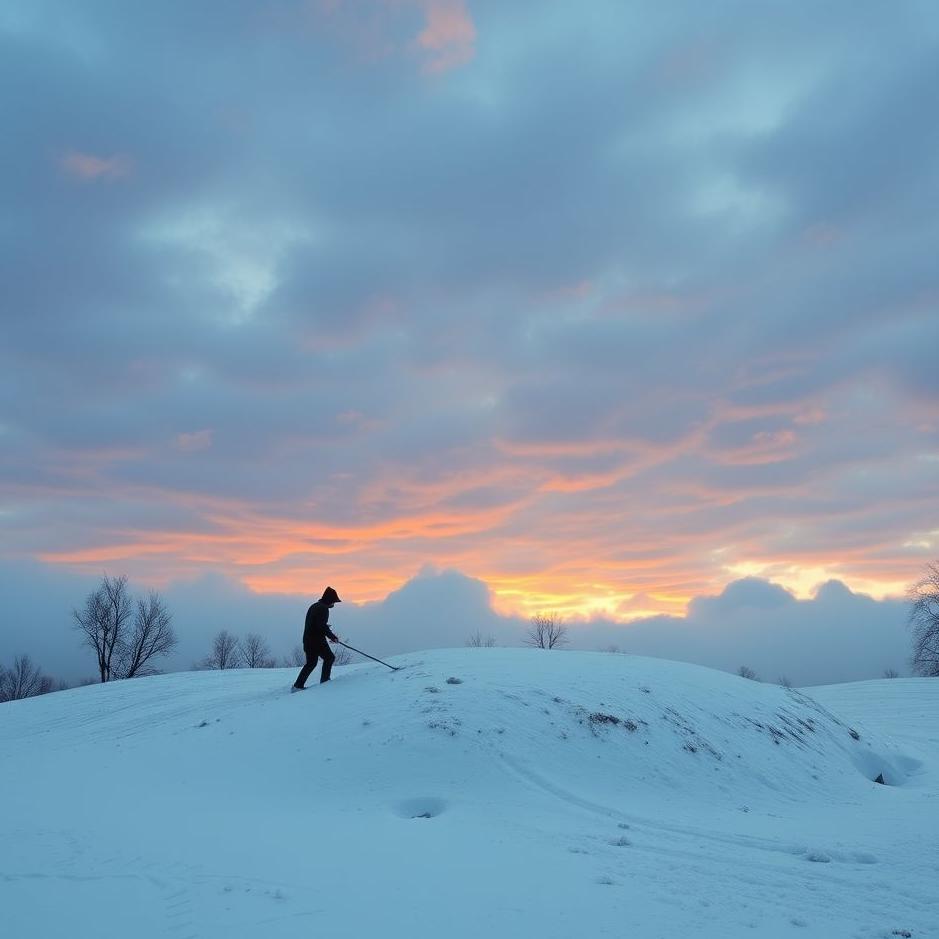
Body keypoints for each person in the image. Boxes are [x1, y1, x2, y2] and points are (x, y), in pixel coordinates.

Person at [292, 586, 342, 691]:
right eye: (334, 602)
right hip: (317, 641)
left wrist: (326, 629)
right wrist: (333, 637)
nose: (334, 604)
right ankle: (325, 682)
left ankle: (297, 686)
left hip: (308, 640)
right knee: (329, 658)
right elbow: (321, 626)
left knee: (311, 663)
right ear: (330, 600)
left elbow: (316, 624)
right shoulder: (323, 609)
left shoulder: (315, 606)